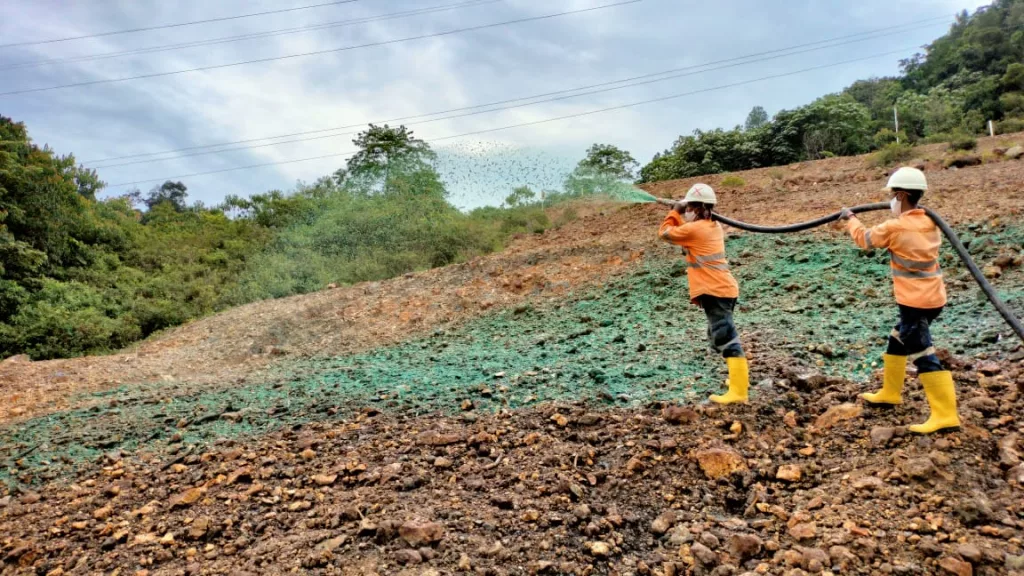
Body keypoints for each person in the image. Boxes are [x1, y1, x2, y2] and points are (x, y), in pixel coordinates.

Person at [839, 166, 960, 434]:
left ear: (903, 195)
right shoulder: (929, 220)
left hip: (915, 301)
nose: (891, 199)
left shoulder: (896, 226)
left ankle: (945, 414)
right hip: (934, 297)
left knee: (922, 352)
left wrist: (850, 219)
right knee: (898, 339)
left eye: (894, 195)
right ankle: (890, 392)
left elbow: (865, 239)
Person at [658, 183, 749, 405]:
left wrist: (675, 211)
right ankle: (739, 380)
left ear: (696, 208)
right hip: (722, 289)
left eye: (690, 206)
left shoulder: (695, 229)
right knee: (716, 337)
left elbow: (665, 234)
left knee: (725, 338)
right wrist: (682, 211)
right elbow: (684, 234)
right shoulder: (710, 226)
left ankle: (739, 392)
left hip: (715, 291)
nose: (687, 210)